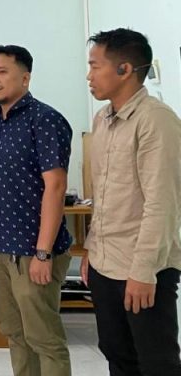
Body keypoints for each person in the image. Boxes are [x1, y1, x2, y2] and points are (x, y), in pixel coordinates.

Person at [83, 28, 181, 374]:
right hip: (105, 264)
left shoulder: (156, 120)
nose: (89, 75)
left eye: (95, 66)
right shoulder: (102, 118)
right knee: (117, 355)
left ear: (124, 70)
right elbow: (104, 195)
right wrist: (92, 250)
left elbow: (162, 204)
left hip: (142, 268)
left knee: (156, 363)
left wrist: (143, 272)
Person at [0, 45, 72, 376]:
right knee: (15, 335)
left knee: (44, 338)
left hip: (33, 250)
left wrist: (43, 253)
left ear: (25, 77)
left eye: (2, 72)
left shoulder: (45, 120)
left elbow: (56, 187)